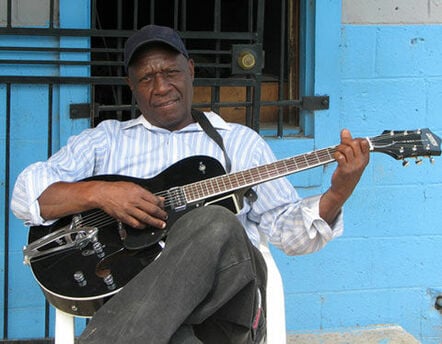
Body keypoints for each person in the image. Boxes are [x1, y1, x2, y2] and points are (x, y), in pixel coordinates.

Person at [11, 24, 370, 344]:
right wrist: (101, 192)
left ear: (191, 71)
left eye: (170, 72)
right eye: (146, 77)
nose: (161, 86)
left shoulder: (239, 143)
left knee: (214, 221)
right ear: (130, 86)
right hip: (145, 314)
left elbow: (293, 236)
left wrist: (337, 193)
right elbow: (29, 193)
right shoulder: (105, 141)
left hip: (225, 310)